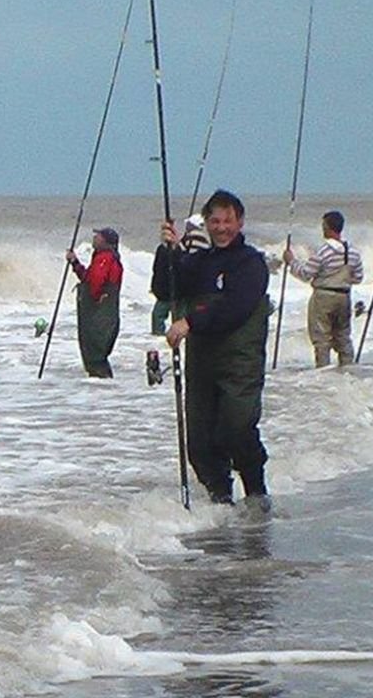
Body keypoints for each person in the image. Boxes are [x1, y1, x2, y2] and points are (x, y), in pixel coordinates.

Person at [158, 190, 272, 509]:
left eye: (228, 221)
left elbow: (235, 306)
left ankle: (256, 495)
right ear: (206, 223)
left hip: (240, 364)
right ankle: (221, 502)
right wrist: (169, 250)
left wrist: (189, 322)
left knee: (235, 429)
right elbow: (165, 286)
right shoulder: (200, 262)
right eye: (215, 221)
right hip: (202, 364)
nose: (221, 228)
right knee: (199, 444)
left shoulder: (251, 263)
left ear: (240, 222)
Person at [282, 210, 364, 367]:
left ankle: (324, 376)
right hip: (344, 296)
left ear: (328, 228)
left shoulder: (323, 251)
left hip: (323, 297)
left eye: (323, 226)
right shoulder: (353, 252)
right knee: (343, 338)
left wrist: (291, 261)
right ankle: (348, 371)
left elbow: (306, 274)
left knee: (322, 340)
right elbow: (358, 277)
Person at [65, 227, 123, 377]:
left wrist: (94, 299)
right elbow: (88, 278)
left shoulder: (105, 259)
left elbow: (95, 283)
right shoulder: (103, 258)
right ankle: (103, 389)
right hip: (103, 315)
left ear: (106, 241)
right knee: (96, 355)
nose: (95, 237)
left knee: (95, 356)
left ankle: (102, 387)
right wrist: (75, 263)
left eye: (99, 236)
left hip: (99, 316)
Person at [151, 214, 210, 335]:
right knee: (175, 318)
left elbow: (187, 262)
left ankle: (165, 338)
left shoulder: (195, 239)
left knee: (165, 317)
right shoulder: (191, 240)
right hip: (175, 290)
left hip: (177, 290)